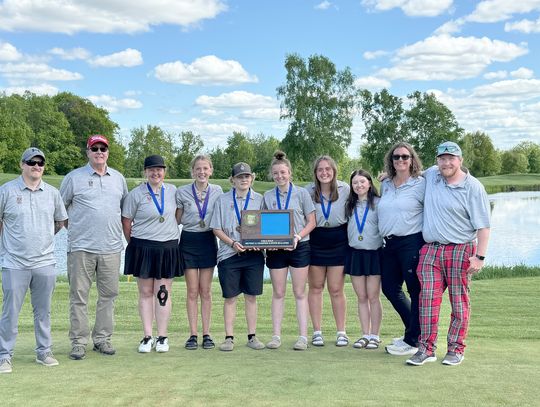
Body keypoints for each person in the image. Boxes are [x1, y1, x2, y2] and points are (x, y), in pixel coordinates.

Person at [406, 141, 490, 366]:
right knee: (427, 300)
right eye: (442, 158)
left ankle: (455, 348)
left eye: (451, 158)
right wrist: (389, 175)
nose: (446, 162)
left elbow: (483, 226)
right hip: (431, 250)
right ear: (437, 161)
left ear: (460, 160)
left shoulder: (473, 187)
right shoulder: (432, 175)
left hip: (461, 249)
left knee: (458, 301)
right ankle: (426, 349)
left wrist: (479, 257)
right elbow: (411, 174)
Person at [60, 135, 128, 360]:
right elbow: (61, 212)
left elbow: (123, 211)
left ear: (108, 152)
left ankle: (102, 339)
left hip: (111, 248)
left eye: (103, 148)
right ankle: (79, 342)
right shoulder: (73, 178)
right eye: (95, 148)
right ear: (88, 152)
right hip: (81, 248)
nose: (100, 152)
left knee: (108, 296)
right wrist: (78, 229)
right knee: (79, 296)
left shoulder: (118, 178)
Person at [0, 148, 67, 374]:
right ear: (22, 165)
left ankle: (44, 352)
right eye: (32, 162)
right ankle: (4, 356)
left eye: (40, 163)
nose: (36, 166)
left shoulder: (52, 193)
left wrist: (42, 240)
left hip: (44, 263)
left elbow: (59, 223)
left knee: (43, 311)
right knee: (10, 311)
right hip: (14, 263)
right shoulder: (6, 191)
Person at [122, 155, 182, 353]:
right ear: (145, 172)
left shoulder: (173, 191)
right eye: (151, 170)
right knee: (146, 293)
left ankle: (162, 337)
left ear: (164, 171)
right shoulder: (135, 194)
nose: (156, 173)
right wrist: (136, 244)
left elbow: (177, 215)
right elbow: (126, 222)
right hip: (143, 248)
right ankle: (147, 337)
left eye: (160, 169)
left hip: (167, 248)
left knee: (162, 293)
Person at [209, 162, 265, 352]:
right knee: (230, 297)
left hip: (254, 254)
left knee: (251, 296)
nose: (243, 180)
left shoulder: (260, 199)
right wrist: (233, 243)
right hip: (229, 254)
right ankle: (229, 338)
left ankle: (252, 336)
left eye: (247, 176)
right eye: (240, 177)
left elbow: (267, 228)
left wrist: (266, 242)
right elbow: (216, 228)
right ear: (232, 180)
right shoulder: (222, 200)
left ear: (252, 179)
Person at [264, 151, 316, 351]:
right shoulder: (268, 196)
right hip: (276, 249)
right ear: (272, 175)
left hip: (299, 246)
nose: (279, 176)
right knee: (278, 292)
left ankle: (302, 337)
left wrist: (297, 236)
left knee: (299, 292)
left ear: (290, 173)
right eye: (276, 173)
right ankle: (276, 336)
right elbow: (262, 225)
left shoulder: (302, 193)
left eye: (283, 172)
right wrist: (267, 241)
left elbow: (312, 222)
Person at [378, 142, 425, 356]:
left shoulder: (421, 184)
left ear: (412, 159)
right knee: (389, 288)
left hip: (411, 242)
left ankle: (413, 340)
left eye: (405, 157)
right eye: (396, 157)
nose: (400, 160)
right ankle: (415, 332)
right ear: (391, 160)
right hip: (389, 243)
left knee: (414, 291)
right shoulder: (386, 184)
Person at [176, 155, 223, 350]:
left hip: (208, 240)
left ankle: (207, 334)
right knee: (192, 291)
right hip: (188, 240)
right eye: (198, 169)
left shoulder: (218, 191)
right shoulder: (182, 192)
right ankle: (193, 334)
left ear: (211, 170)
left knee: (206, 290)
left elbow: (223, 216)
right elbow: (176, 220)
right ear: (193, 171)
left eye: (205, 168)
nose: (202, 172)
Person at [305, 156, 350, 347]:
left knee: (336, 288)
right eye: (320, 169)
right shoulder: (307, 191)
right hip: (315, 240)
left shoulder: (345, 189)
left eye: (328, 169)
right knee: (316, 288)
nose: (324, 173)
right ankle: (317, 332)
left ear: (334, 171)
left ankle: (341, 332)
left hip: (339, 239)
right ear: (315, 173)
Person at [344, 170, 383, 350]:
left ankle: (375, 335)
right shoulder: (349, 205)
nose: (359, 186)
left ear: (369, 183)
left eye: (362, 182)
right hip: (355, 254)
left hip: (374, 254)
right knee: (361, 297)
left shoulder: (378, 203)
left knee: (373, 297)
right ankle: (365, 334)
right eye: (355, 183)